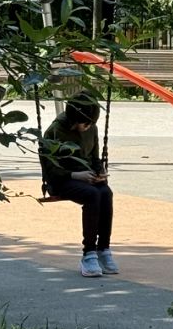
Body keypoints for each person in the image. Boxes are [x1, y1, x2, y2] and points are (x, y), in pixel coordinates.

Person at [41, 94, 118, 277]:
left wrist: (99, 173)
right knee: (92, 195)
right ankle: (89, 254)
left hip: (85, 177)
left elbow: (94, 158)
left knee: (105, 192)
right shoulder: (54, 131)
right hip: (62, 180)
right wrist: (76, 175)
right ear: (74, 121)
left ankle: (103, 249)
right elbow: (50, 170)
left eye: (91, 124)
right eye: (85, 124)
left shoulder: (91, 127)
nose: (88, 127)